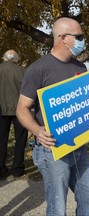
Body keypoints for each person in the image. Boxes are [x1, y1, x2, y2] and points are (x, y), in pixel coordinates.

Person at [16, 17, 89, 215]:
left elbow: (83, 106)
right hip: (52, 150)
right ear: (63, 38)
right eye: (79, 36)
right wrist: (37, 130)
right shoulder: (38, 68)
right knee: (58, 207)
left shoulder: (81, 68)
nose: (83, 40)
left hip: (80, 148)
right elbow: (22, 108)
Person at [0, 50, 28, 178]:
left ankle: (1, 170)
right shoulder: (22, 71)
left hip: (1, 109)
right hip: (20, 109)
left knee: (1, 140)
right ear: (16, 59)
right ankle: (18, 168)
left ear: (4, 58)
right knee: (20, 139)